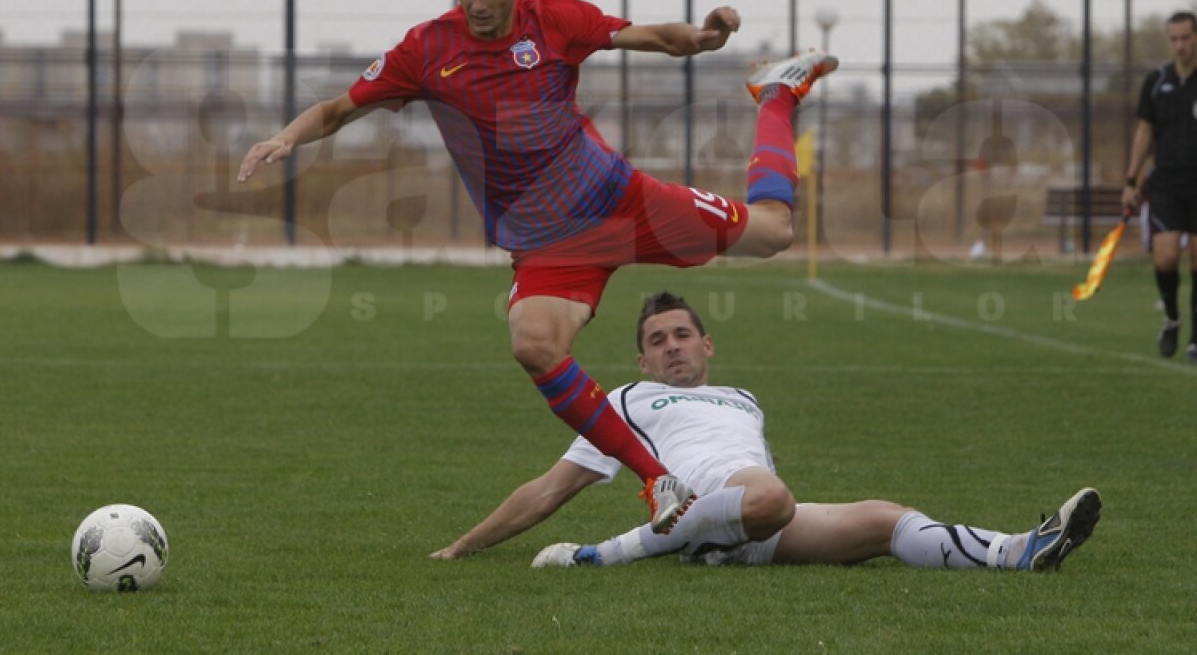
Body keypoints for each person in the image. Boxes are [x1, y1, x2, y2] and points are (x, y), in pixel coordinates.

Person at [237, 0, 838, 531]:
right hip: (548, 245)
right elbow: (338, 108)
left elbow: (652, 36)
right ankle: (658, 480)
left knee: (775, 232)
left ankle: (775, 96)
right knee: (533, 343)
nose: (476, 5)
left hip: (621, 204)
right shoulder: (427, 48)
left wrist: (703, 37)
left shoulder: (553, 18)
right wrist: (286, 137)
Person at [431, 292, 1101, 573]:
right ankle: (599, 555)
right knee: (772, 496)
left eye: (682, 334)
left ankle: (1019, 550)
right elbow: (550, 488)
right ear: (641, 360)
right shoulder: (628, 400)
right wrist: (463, 546)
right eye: (657, 340)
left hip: (755, 517)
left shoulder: (742, 399)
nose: (672, 346)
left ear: (708, 344)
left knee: (885, 518)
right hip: (740, 500)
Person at [1123, 10, 1197, 362]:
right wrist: (1131, 180)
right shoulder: (1157, 81)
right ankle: (1172, 318)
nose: (1180, 45)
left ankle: (1196, 339)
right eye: (1174, 39)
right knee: (1166, 257)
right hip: (1166, 181)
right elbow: (1144, 131)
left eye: (1186, 38)